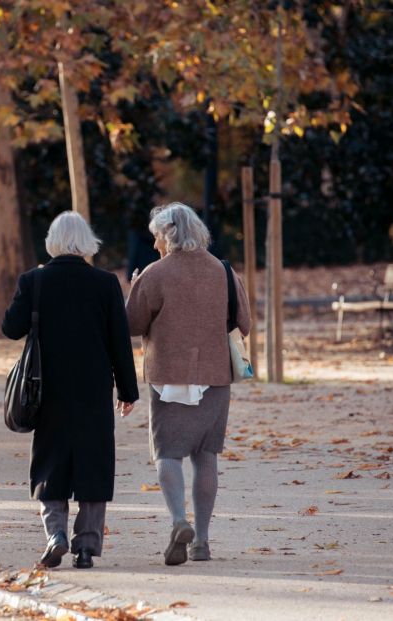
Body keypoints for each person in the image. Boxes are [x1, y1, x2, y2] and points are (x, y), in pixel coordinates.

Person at [2, 211, 139, 570]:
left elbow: (10, 328)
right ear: (86, 242)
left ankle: (56, 535)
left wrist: (26, 297)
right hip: (93, 388)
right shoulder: (105, 283)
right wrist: (128, 390)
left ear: (52, 241)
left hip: (47, 388)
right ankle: (86, 548)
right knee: (94, 464)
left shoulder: (34, 281)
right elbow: (119, 343)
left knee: (50, 462)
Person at [125, 202, 250, 565]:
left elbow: (132, 324)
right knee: (205, 455)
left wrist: (135, 287)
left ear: (168, 235)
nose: (154, 246)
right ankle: (203, 541)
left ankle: (179, 520)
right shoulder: (223, 272)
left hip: (168, 376)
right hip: (214, 376)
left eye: (156, 238)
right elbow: (245, 323)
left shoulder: (154, 273)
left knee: (167, 453)